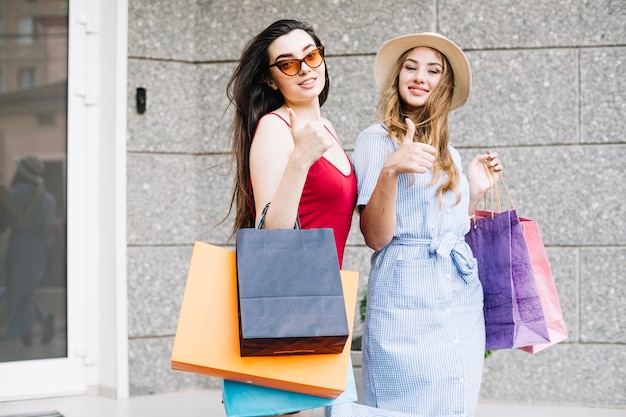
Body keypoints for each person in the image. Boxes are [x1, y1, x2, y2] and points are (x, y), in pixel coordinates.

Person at [352, 33, 503, 416]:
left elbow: (448, 228)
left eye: (433, 70)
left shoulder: (448, 152)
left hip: (458, 296)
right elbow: (374, 237)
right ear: (398, 76)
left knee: (453, 403)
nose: (420, 76)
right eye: (411, 67)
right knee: (398, 403)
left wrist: (474, 192)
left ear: (444, 84)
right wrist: (391, 171)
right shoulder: (375, 141)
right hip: (405, 292)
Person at [226, 19, 357, 417]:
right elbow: (271, 233)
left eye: (311, 56)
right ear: (270, 80)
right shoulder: (274, 127)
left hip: (321, 299)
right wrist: (300, 159)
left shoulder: (326, 129)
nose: (305, 69)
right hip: (286, 300)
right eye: (287, 64)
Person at [1, 155, 57, 347]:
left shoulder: (10, 194)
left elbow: (3, 225)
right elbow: (49, 230)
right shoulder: (48, 199)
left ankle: (25, 340)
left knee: (18, 293)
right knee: (26, 293)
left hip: (18, 247)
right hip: (38, 249)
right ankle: (40, 325)